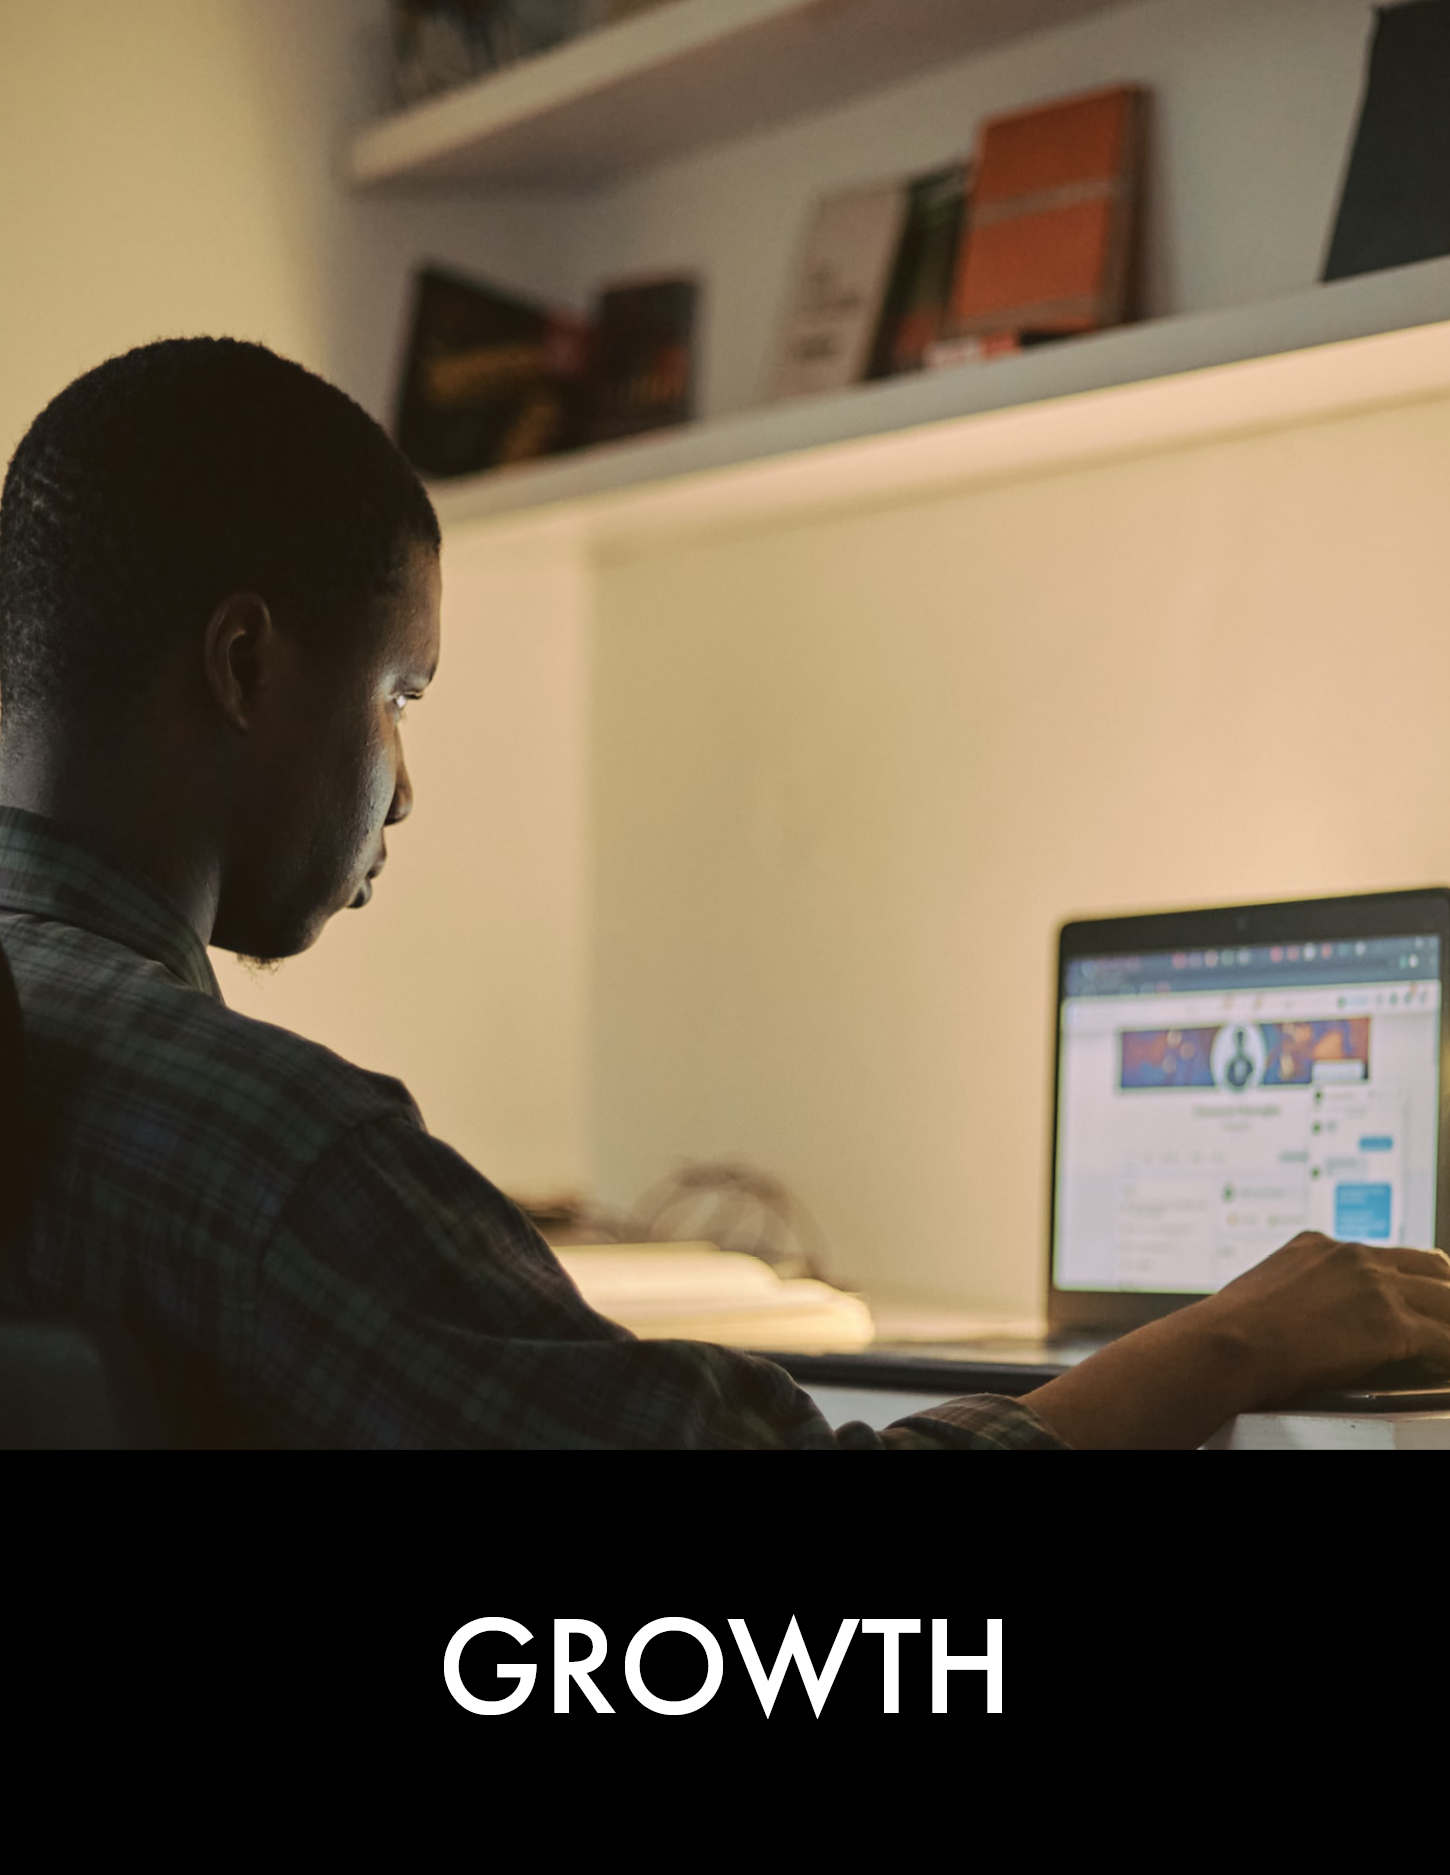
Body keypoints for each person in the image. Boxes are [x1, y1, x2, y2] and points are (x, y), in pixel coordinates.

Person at [1, 338, 1448, 1450]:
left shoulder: (67, 1057)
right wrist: (1226, 1345)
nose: (405, 780)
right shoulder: (265, 1150)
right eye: (400, 692)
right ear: (246, 666)